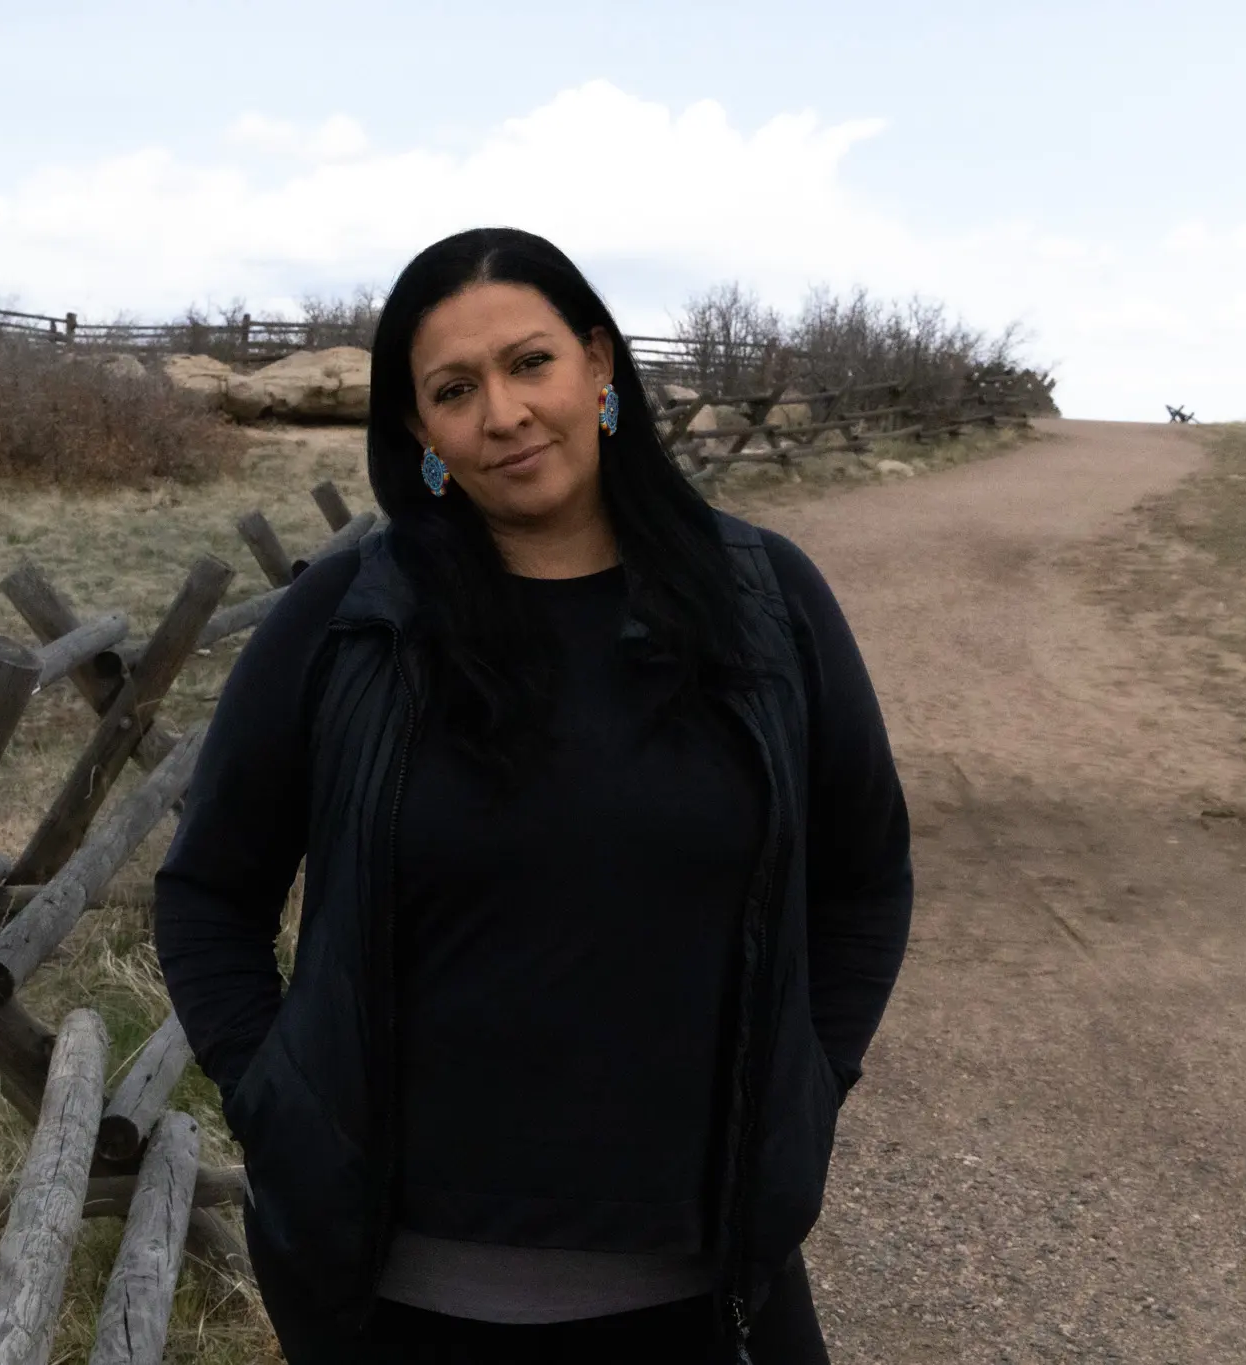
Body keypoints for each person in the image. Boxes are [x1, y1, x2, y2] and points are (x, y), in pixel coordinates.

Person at [154, 227, 912, 1364]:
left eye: (530, 363)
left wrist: (810, 1077)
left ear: (598, 366)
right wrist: (279, 1100)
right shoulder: (350, 620)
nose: (502, 414)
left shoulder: (765, 602)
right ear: (419, 431)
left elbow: (866, 877)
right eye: (454, 390)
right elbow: (208, 893)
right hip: (399, 1306)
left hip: (709, 1296)